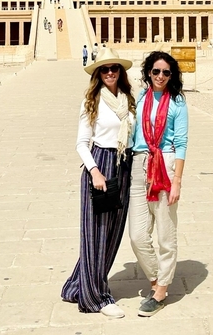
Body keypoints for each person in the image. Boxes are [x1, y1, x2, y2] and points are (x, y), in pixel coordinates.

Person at [62, 48, 136, 318]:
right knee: (96, 233)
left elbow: (133, 135)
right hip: (100, 165)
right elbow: (81, 143)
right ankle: (97, 297)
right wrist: (94, 171)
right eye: (104, 69)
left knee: (113, 232)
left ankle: (77, 285)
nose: (110, 73)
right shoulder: (91, 101)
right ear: (97, 73)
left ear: (121, 71)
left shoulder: (127, 100)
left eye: (114, 68)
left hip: (122, 165)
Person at [129, 51, 188, 317]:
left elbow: (182, 143)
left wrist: (177, 180)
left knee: (165, 232)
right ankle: (155, 279)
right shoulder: (140, 97)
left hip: (164, 164)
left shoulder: (177, 102)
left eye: (166, 72)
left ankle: (162, 289)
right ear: (148, 73)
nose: (161, 76)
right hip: (139, 164)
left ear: (172, 75)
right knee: (138, 235)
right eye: (156, 71)